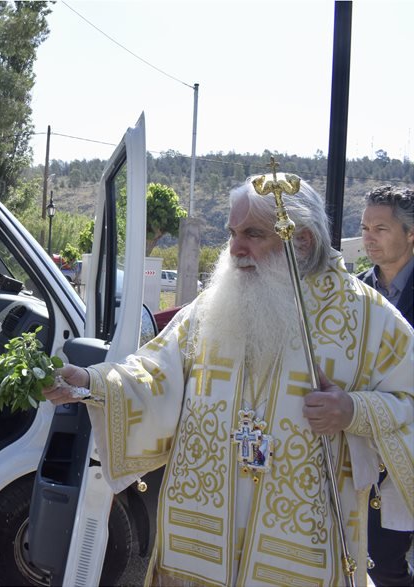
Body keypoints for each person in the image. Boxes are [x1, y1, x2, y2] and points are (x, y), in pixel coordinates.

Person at [43, 175, 414, 586]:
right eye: (233, 233)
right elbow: (155, 372)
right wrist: (91, 383)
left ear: (303, 241)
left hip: (301, 548)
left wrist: (353, 410)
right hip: (201, 537)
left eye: (254, 234)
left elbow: (409, 402)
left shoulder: (368, 319)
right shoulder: (216, 302)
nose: (236, 248)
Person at [358, 184, 414, 586]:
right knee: (380, 562)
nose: (369, 238)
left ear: (411, 233)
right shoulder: (353, 293)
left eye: (381, 228)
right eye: (364, 228)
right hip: (369, 452)